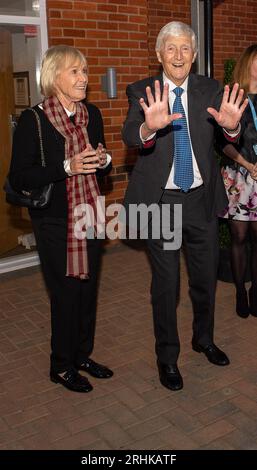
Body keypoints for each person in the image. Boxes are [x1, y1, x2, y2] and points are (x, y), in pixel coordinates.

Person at [122, 21, 248, 391]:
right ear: (159, 54)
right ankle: (167, 358)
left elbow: (228, 131)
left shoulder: (210, 89)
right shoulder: (143, 91)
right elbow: (131, 134)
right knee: (166, 284)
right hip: (161, 203)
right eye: (171, 48)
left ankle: (203, 339)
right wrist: (148, 128)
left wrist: (231, 130)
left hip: (200, 199)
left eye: (185, 49)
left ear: (194, 55)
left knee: (205, 278)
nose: (178, 56)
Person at [9, 45, 113, 393]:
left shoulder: (91, 114)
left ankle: (82, 355)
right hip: (55, 221)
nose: (84, 78)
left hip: (91, 214)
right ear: (54, 77)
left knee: (87, 291)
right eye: (75, 71)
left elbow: (99, 155)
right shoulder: (33, 120)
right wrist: (65, 167)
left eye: (84, 71)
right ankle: (61, 365)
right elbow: (20, 176)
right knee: (66, 293)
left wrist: (104, 160)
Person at [219, 45, 257, 318]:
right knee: (239, 237)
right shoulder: (233, 96)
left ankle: (256, 290)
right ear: (248, 64)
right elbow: (222, 142)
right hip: (239, 175)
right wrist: (247, 165)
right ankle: (240, 292)